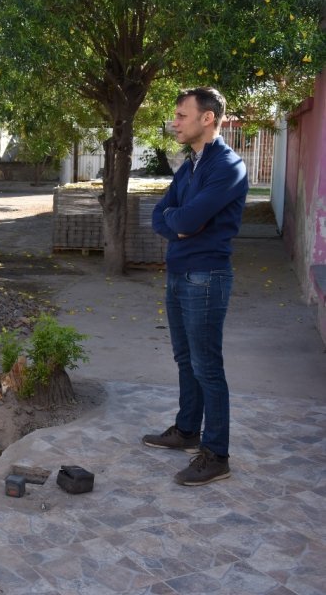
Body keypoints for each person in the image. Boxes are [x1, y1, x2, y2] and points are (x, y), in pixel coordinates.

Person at [145, 87, 249, 486]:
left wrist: (182, 223)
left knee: (207, 365)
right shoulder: (190, 166)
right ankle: (187, 430)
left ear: (208, 118)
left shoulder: (227, 167)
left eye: (181, 115)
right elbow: (163, 216)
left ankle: (216, 453)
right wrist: (181, 222)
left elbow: (186, 222)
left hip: (205, 276)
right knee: (185, 358)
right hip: (179, 272)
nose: (175, 122)